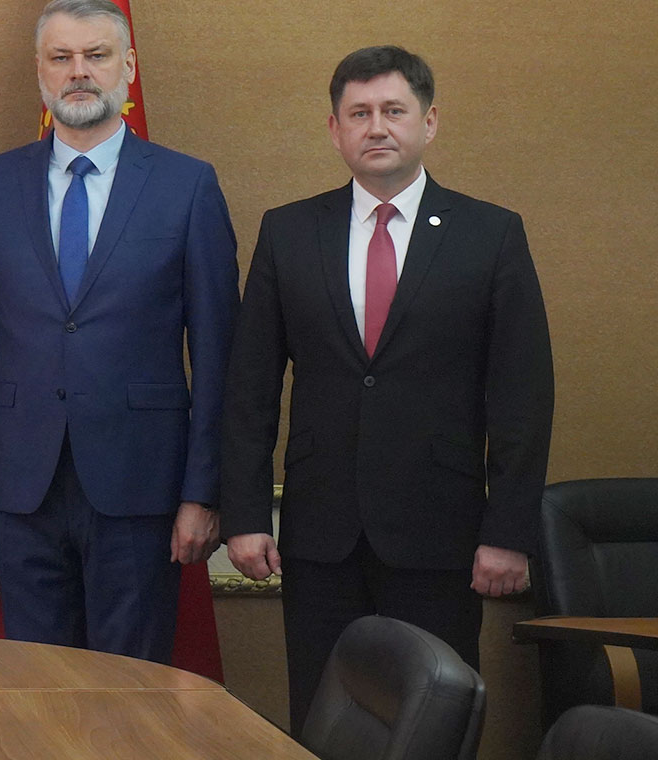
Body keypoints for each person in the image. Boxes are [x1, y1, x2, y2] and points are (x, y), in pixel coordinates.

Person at [220, 45, 554, 734]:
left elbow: (521, 396)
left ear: (428, 123)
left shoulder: (490, 234)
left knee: (433, 721)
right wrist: (246, 515)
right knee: (322, 718)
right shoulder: (288, 231)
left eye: (394, 111)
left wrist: (509, 532)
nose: (376, 127)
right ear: (334, 129)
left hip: (440, 533)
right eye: (359, 113)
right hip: (320, 536)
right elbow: (250, 386)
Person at [0, 0, 239, 663]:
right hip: (22, 486)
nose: (78, 71)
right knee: (36, 687)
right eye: (61, 57)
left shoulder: (187, 185)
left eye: (96, 55)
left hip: (141, 485)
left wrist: (203, 492)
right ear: (40, 71)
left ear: (128, 66)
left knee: (129, 688)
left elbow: (219, 354)